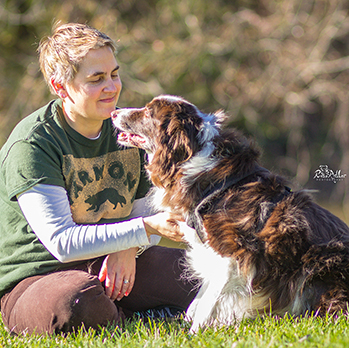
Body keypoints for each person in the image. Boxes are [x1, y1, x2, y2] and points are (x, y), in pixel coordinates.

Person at [0, 22, 197, 335]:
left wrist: (129, 246)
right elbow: (62, 243)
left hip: (113, 261)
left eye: (114, 74)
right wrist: (140, 232)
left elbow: (147, 210)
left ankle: (136, 308)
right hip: (38, 276)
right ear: (60, 87)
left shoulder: (126, 131)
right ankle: (134, 315)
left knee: (199, 275)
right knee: (76, 303)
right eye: (96, 79)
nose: (112, 87)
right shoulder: (34, 144)